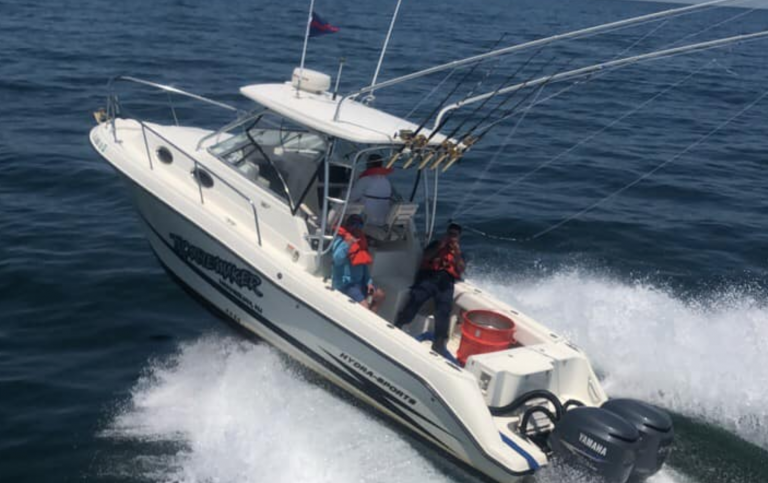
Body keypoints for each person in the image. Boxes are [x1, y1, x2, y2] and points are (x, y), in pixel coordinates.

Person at [395, 223, 466, 360]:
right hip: (430, 278)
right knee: (417, 297)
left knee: (444, 310)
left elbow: (461, 269)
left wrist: (456, 253)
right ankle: (400, 323)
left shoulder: (460, 253)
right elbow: (426, 257)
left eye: (454, 235)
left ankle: (439, 343)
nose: (452, 237)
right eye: (450, 233)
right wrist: (441, 245)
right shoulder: (436, 244)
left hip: (446, 283)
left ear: (458, 237)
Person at [331, 214, 386, 312]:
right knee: (364, 306)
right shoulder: (342, 240)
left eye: (359, 226)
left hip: (359, 284)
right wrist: (347, 244)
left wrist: (369, 283)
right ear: (348, 226)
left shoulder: (360, 241)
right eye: (353, 225)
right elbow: (337, 260)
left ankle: (371, 315)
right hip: (346, 285)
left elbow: (363, 265)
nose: (356, 229)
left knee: (379, 295)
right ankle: (368, 317)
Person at [350, 153, 393, 226]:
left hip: (367, 220)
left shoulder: (365, 180)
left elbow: (352, 197)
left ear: (369, 164)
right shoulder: (386, 181)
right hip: (383, 221)